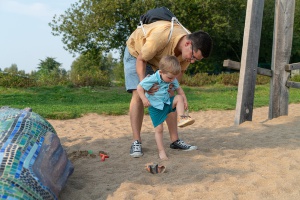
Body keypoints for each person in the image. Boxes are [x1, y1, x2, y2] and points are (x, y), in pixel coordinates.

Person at [124, 20, 213, 158]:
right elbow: (142, 59)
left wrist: (171, 90)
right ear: (188, 44)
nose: (193, 61)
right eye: (194, 56)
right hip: (137, 53)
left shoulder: (186, 54)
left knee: (169, 95)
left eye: (197, 59)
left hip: (161, 61)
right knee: (138, 94)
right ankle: (136, 141)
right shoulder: (160, 37)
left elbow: (179, 74)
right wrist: (146, 86)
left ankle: (175, 140)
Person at [137, 55, 195, 160]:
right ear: (161, 72)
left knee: (178, 98)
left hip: (167, 103)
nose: (172, 80)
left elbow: (180, 90)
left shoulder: (172, 78)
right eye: (169, 78)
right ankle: (161, 151)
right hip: (155, 107)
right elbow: (139, 87)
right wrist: (144, 99)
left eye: (174, 78)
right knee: (159, 129)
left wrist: (184, 100)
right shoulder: (153, 78)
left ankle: (182, 117)